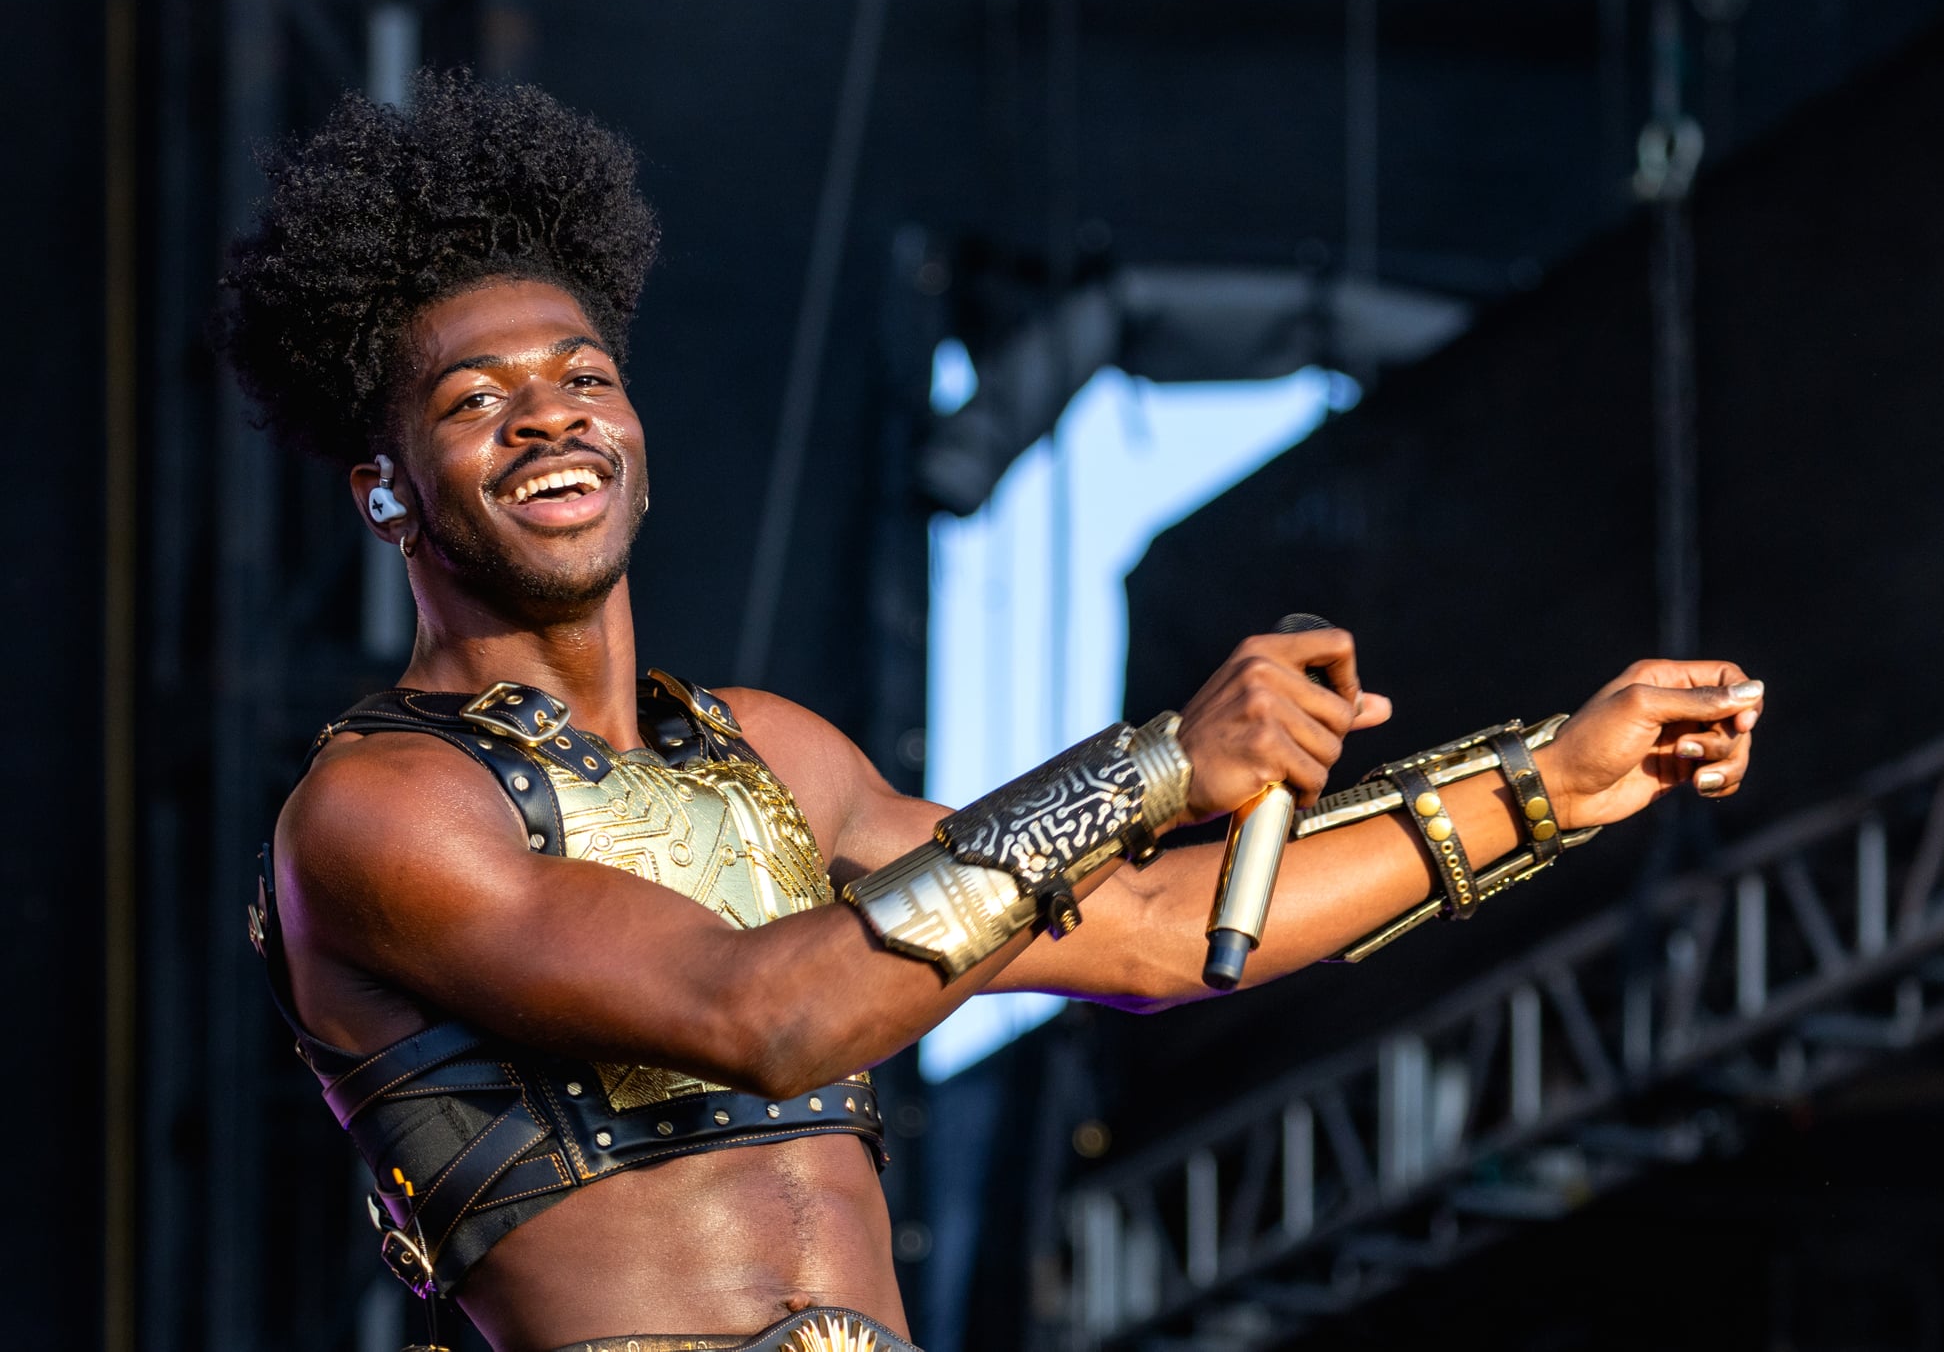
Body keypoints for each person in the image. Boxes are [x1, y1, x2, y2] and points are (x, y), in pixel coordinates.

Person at [220, 74, 1764, 1352]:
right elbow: (771, 1015)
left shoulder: (777, 753)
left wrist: (1550, 780)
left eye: (583, 372)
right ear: (383, 487)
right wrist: (1160, 759)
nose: (550, 408)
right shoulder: (382, 811)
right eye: (475, 398)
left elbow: (1155, 935)